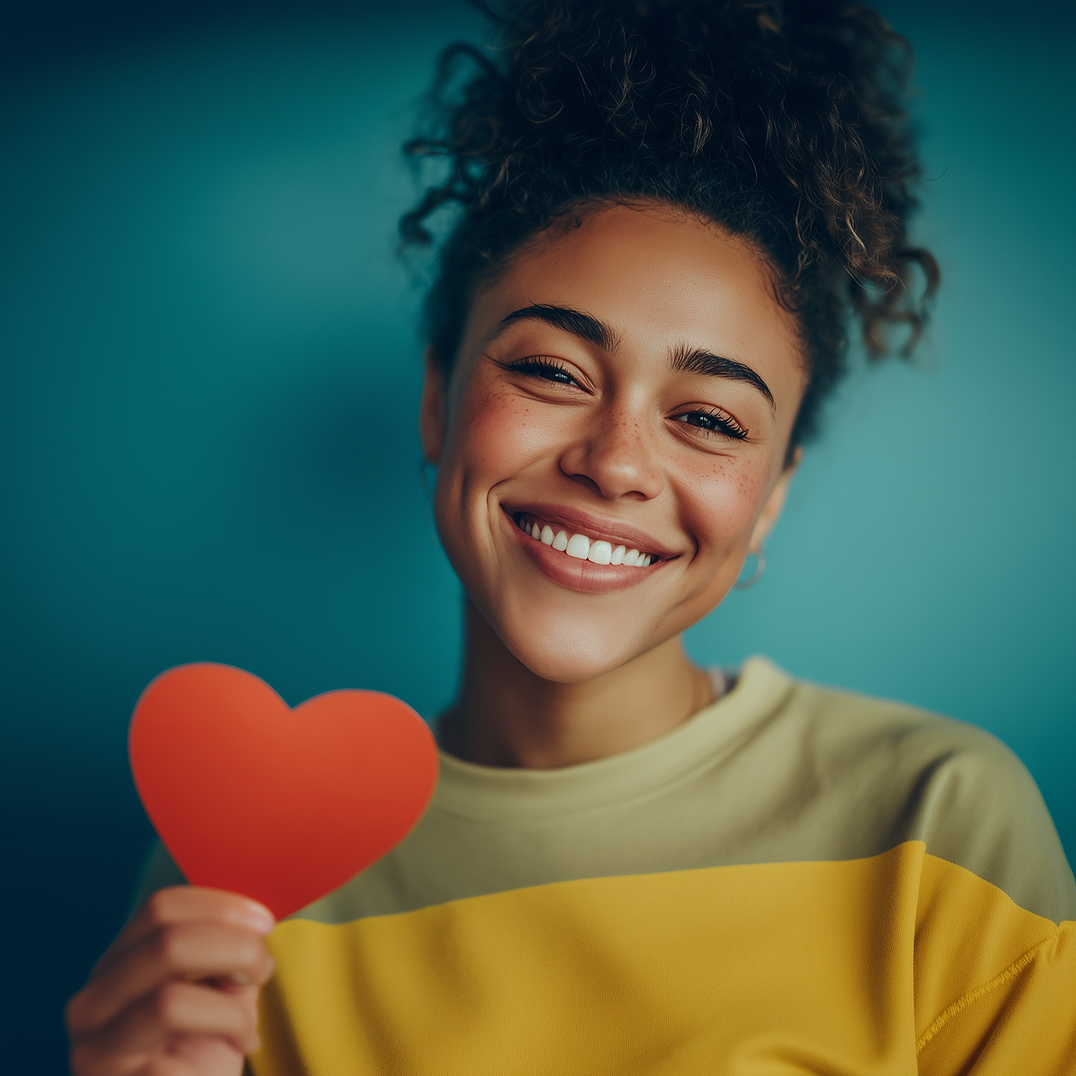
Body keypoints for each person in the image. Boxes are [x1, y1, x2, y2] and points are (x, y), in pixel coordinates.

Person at [65, 1, 1076, 1073]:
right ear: (433, 398)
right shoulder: (230, 859)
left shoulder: (938, 822)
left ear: (771, 496)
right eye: (549, 370)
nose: (617, 460)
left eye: (707, 419)